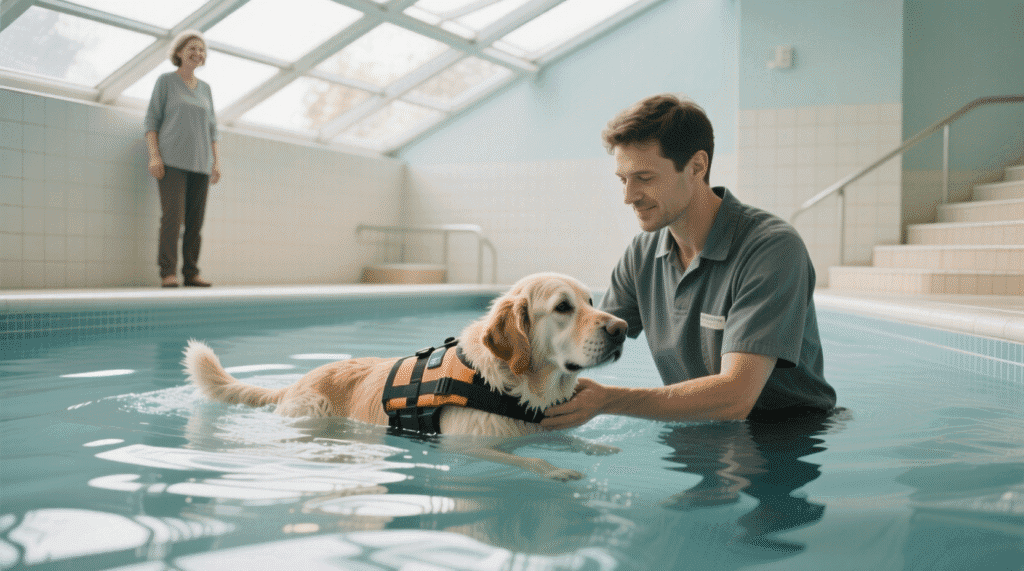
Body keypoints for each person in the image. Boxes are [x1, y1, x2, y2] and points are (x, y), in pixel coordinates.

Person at [541, 94, 836, 429]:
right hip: (697, 430)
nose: (629, 197)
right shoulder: (642, 254)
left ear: (697, 166)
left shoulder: (772, 248)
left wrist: (610, 400)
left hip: (788, 439)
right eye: (624, 180)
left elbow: (736, 396)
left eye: (645, 178)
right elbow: (586, 342)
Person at [144, 30, 221, 288]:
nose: (197, 53)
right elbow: (151, 120)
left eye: (201, 50)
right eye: (192, 48)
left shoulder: (206, 89)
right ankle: (168, 272)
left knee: (195, 222)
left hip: (200, 163)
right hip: (172, 162)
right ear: (179, 52)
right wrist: (155, 156)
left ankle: (191, 272)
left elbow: (213, 129)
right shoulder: (165, 81)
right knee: (173, 217)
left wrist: (216, 162)